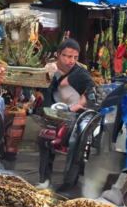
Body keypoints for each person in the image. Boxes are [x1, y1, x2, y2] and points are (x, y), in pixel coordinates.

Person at [34, 38, 96, 188]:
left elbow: (92, 96)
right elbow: (40, 90)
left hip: (73, 118)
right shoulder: (48, 69)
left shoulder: (81, 74)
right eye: (67, 56)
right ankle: (44, 180)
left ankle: (71, 183)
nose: (71, 60)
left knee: (75, 146)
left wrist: (76, 107)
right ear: (58, 54)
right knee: (45, 141)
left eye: (75, 57)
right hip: (51, 115)